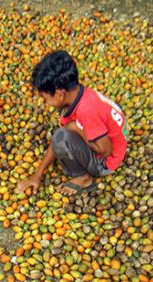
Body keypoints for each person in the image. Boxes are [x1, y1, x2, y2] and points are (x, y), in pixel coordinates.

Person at [16, 50, 128, 196]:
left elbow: (106, 150)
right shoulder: (80, 95)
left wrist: (75, 128)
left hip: (107, 161)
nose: (45, 103)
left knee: (62, 137)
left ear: (60, 94)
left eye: (45, 99)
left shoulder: (87, 110)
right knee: (62, 136)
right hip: (113, 141)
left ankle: (84, 178)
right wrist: (37, 175)